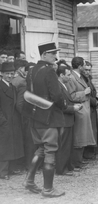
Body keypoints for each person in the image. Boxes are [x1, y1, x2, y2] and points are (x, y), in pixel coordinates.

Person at [23, 42, 66, 197]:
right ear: (44, 55)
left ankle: (29, 181)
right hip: (49, 118)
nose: (56, 56)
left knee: (41, 149)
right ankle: (48, 189)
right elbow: (57, 96)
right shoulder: (49, 71)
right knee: (50, 151)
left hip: (34, 118)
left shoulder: (31, 70)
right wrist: (63, 106)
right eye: (53, 53)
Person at [66, 57, 96, 169]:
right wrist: (84, 92)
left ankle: (79, 160)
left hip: (84, 110)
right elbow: (71, 96)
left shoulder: (79, 77)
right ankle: (76, 162)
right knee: (78, 137)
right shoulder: (72, 78)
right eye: (84, 65)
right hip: (79, 111)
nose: (85, 67)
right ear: (79, 66)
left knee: (82, 136)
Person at [55, 62, 82, 176]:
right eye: (68, 75)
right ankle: (61, 169)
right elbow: (59, 106)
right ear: (61, 75)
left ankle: (68, 166)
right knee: (63, 146)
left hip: (68, 120)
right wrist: (73, 108)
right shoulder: (57, 87)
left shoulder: (63, 85)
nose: (70, 77)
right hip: (63, 120)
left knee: (68, 145)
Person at [0, 62, 24, 180]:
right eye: (7, 74)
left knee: (13, 144)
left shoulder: (13, 87)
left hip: (13, 121)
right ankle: (2, 172)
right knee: (4, 146)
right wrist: (3, 121)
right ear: (1, 74)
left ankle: (11, 169)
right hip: (4, 121)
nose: (9, 76)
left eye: (11, 73)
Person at [81, 61, 98, 160]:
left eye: (89, 70)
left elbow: (93, 93)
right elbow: (86, 95)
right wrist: (95, 102)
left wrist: (97, 100)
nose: (87, 72)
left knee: (95, 129)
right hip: (87, 107)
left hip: (92, 107)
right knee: (89, 130)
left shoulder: (88, 79)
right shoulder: (82, 80)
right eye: (86, 69)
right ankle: (88, 152)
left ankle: (95, 148)